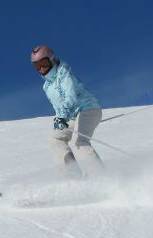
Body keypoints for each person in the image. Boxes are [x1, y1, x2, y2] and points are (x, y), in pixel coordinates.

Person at [30, 44, 104, 176]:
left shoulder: (63, 72)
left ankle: (102, 178)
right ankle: (73, 173)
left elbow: (71, 98)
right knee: (55, 139)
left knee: (79, 142)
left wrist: (62, 116)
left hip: (88, 109)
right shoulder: (47, 86)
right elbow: (58, 108)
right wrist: (59, 118)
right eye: (36, 65)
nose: (41, 68)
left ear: (51, 60)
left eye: (43, 63)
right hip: (72, 117)